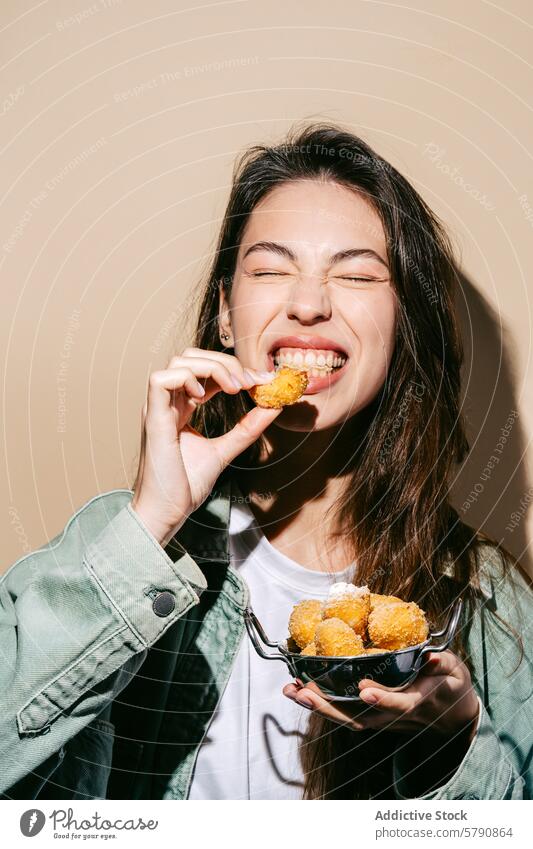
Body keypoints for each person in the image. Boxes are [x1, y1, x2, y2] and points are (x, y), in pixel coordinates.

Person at [1, 122, 531, 800]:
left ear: (402, 325)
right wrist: (151, 521)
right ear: (226, 312)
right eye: (271, 268)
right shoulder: (121, 541)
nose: (308, 303)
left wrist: (456, 744)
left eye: (357, 273)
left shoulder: (489, 604)